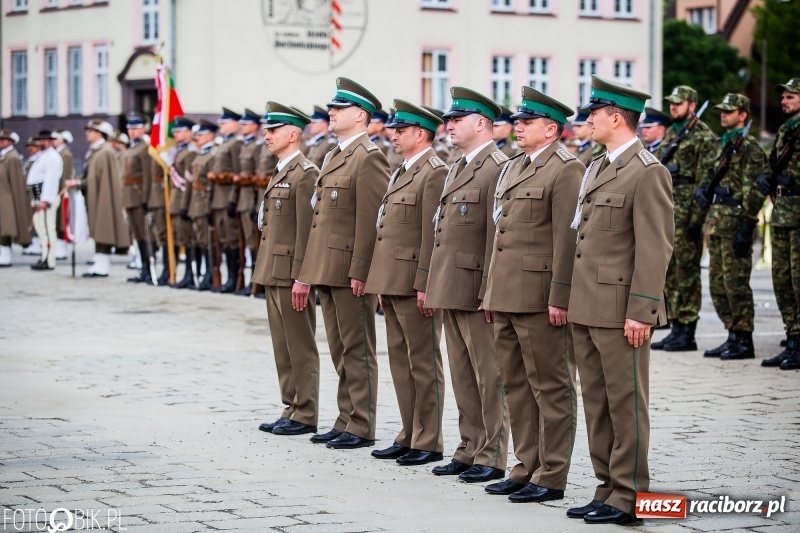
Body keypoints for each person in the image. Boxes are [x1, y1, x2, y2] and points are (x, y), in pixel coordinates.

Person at [567, 75, 673, 524]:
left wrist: (641, 310)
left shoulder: (647, 171)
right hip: (587, 304)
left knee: (626, 403)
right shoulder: (599, 164)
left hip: (620, 309)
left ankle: (631, 497)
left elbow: (655, 246)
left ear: (616, 117)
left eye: (594, 112)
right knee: (597, 400)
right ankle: (606, 485)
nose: (587, 119)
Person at [482, 87, 582, 502]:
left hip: (540, 296)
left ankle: (552, 474)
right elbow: (500, 235)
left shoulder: (566, 169)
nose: (518, 127)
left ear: (551, 129)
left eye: (527, 122)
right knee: (516, 385)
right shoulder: (514, 166)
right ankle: (525, 466)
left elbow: (567, 240)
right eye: (518, 121)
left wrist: (559, 296)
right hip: (505, 293)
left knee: (551, 386)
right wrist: (490, 292)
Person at [295, 77, 390, 449]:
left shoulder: (369, 157)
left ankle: (362, 422)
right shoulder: (335, 154)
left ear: (361, 115)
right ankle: (345, 416)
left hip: (350, 268)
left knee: (357, 347)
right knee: (338, 346)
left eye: (339, 108)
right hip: (328, 266)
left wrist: (362, 269)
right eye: (332, 108)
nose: (331, 113)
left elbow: (371, 219)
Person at [424, 86, 509, 483]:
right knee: (462, 372)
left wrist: (490, 288)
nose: (449, 126)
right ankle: (468, 447)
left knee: (488, 375)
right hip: (451, 283)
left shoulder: (497, 167)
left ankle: (492, 453)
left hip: (477, 286)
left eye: (456, 120)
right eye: (448, 120)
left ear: (481, 123)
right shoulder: (457, 165)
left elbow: (498, 235)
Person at [365, 100, 448, 466]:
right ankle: (409, 432)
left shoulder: (433, 172)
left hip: (415, 280)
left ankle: (428, 439)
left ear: (420, 134)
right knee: (401, 362)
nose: (393, 135)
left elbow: (433, 235)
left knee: (424, 362)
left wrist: (425, 282)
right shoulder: (402, 170)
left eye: (400, 130)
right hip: (393, 279)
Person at [252, 102, 321, 436]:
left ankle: (305, 411)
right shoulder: (282, 170)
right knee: (283, 344)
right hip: (273, 270)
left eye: (273, 130)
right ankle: (290, 406)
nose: (266, 135)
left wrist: (302, 277)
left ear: (293, 134)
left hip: (291, 273)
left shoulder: (306, 174)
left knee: (299, 344)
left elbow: (308, 231)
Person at [695, 94, 766, 360]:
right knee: (717, 283)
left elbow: (754, 189)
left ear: (743, 115)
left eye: (729, 110)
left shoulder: (750, 148)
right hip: (716, 222)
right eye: (722, 110)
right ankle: (731, 335)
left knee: (736, 284)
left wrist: (747, 224)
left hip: (736, 222)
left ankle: (744, 338)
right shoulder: (718, 145)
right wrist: (702, 192)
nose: (723, 114)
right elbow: (706, 175)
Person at [653, 85, 718, 352]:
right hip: (667, 211)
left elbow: (706, 181)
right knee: (670, 272)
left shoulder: (703, 136)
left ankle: (688, 329)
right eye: (671, 103)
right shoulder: (672, 132)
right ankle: (676, 324)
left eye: (679, 104)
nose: (673, 107)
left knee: (687, 273)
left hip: (687, 212)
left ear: (692, 105)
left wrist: (696, 219)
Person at [758, 77, 800, 370]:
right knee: (782, 280)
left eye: (790, 96)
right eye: (783, 97)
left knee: (798, 282)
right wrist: (766, 177)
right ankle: (793, 339)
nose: (784, 101)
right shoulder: (786, 130)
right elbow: (772, 163)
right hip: (783, 212)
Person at [65, 120, 130, 277]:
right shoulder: (95, 151)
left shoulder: (104, 152)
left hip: (103, 198)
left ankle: (102, 265)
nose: (87, 133)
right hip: (94, 196)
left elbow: (101, 180)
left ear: (100, 133)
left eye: (91, 130)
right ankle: (99, 263)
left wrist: (79, 182)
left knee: (103, 230)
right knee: (98, 230)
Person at [210, 107, 243, 293]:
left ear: (235, 124)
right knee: (223, 240)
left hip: (228, 199)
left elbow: (238, 174)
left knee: (232, 240)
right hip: (218, 200)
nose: (221, 125)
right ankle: (228, 277)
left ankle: (233, 278)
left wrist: (233, 199)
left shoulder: (235, 145)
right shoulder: (223, 144)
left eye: (225, 122)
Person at [121, 113, 154, 284]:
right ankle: (144, 268)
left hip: (140, 195)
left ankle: (150, 269)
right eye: (130, 128)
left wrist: (147, 199)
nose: (132, 131)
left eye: (135, 128)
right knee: (138, 236)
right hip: (129, 196)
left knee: (145, 234)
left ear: (143, 129)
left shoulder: (144, 148)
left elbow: (148, 176)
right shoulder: (131, 148)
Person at [186, 120, 218, 291]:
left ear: (211, 135)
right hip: (196, 202)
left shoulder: (212, 155)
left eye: (202, 134)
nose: (198, 138)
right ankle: (201, 273)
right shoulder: (200, 155)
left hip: (204, 201)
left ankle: (209, 274)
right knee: (199, 240)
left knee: (207, 241)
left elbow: (211, 183)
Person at [234, 108, 263, 296]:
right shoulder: (245, 146)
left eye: (246, 123)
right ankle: (251, 282)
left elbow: (255, 178)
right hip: (244, 200)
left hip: (255, 199)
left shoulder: (259, 146)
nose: (242, 127)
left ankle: (258, 284)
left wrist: (254, 202)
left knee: (257, 243)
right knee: (249, 243)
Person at [168, 116, 198, 289]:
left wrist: (185, 205)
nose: (176, 135)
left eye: (179, 131)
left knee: (188, 239)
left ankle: (190, 274)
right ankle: (183, 273)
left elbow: (188, 181)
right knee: (181, 238)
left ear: (188, 132)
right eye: (175, 132)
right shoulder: (179, 151)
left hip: (183, 201)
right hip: (176, 200)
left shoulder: (191, 152)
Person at [27, 131, 63, 271]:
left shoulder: (53, 157)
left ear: (51, 141)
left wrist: (45, 200)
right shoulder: (43, 156)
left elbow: (51, 180)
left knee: (48, 230)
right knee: (41, 230)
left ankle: (49, 259)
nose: (42, 143)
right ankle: (44, 257)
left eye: (45, 140)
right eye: (40, 140)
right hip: (37, 194)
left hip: (45, 196)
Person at [0, 129, 31, 266]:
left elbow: (16, 183)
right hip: (3, 198)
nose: (1, 141)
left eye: (4, 139)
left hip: (7, 200)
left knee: (6, 229)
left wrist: (17, 203)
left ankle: (6, 256)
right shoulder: (4, 156)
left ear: (11, 141)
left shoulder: (12, 157)